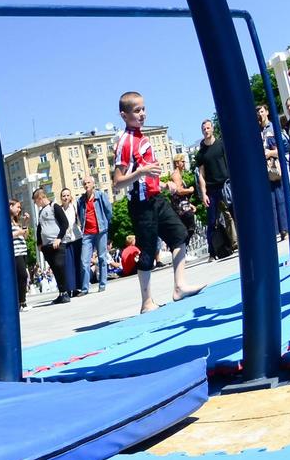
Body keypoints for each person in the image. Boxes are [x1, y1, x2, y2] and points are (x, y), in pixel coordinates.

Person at [112, 92, 200, 312]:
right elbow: (117, 182)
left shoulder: (142, 138)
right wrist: (142, 170)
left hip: (156, 199)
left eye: (143, 109)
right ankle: (146, 302)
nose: (142, 114)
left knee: (179, 234)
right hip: (141, 206)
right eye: (136, 111)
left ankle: (179, 285)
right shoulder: (124, 143)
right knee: (149, 250)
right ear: (124, 115)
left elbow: (145, 176)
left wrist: (161, 184)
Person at [193, 119, 231, 258]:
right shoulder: (201, 153)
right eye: (204, 129)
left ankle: (240, 242)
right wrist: (203, 194)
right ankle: (212, 252)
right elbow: (201, 175)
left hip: (226, 185)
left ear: (212, 129)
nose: (206, 131)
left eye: (208, 128)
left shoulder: (221, 145)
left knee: (234, 214)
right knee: (211, 221)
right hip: (211, 189)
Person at [75, 176, 111, 294]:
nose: (86, 185)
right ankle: (85, 288)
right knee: (84, 261)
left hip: (101, 231)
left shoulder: (100, 196)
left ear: (93, 184)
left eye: (88, 182)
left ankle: (102, 283)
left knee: (101, 257)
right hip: (87, 234)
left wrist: (105, 224)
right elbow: (80, 216)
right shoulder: (81, 200)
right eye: (84, 183)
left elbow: (108, 211)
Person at [33, 189, 69, 304]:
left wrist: (59, 238)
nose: (36, 204)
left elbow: (64, 223)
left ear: (40, 198)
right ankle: (61, 293)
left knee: (59, 266)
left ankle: (66, 292)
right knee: (54, 269)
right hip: (46, 246)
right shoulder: (41, 212)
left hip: (57, 243)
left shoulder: (55, 207)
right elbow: (39, 228)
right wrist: (39, 243)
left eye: (35, 201)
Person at [258, 104, 288, 241]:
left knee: (280, 197)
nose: (260, 114)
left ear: (267, 112)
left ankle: (284, 229)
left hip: (274, 165)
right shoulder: (257, 130)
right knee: (269, 201)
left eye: (262, 111)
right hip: (263, 169)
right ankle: (275, 231)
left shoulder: (273, 128)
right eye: (258, 112)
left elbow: (283, 148)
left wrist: (270, 152)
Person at [57, 189, 82, 298]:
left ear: (70, 196)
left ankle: (77, 288)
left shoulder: (75, 207)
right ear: (61, 198)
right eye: (63, 196)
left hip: (77, 237)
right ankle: (69, 288)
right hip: (66, 240)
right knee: (68, 266)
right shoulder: (59, 210)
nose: (66, 197)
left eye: (67, 195)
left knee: (77, 264)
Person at [8, 199, 30, 310]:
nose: (19, 209)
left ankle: (21, 301)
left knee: (22, 277)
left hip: (22, 250)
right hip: (15, 252)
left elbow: (25, 236)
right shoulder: (5, 221)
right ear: (10, 207)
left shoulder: (16, 221)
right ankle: (21, 302)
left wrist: (25, 224)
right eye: (18, 207)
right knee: (22, 276)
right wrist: (18, 232)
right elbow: (6, 236)